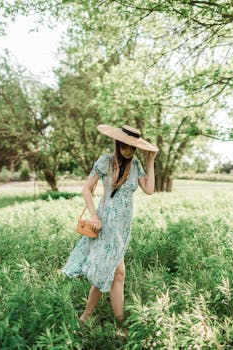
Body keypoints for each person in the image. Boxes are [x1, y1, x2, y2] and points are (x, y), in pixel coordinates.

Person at [61, 124, 159, 330]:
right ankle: (115, 321)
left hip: (123, 227)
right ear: (118, 143)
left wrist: (151, 160)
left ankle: (89, 317)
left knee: (113, 271)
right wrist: (94, 215)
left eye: (133, 147)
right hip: (105, 223)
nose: (129, 151)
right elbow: (86, 189)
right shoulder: (105, 161)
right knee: (117, 271)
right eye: (125, 146)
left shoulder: (137, 165)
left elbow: (149, 189)